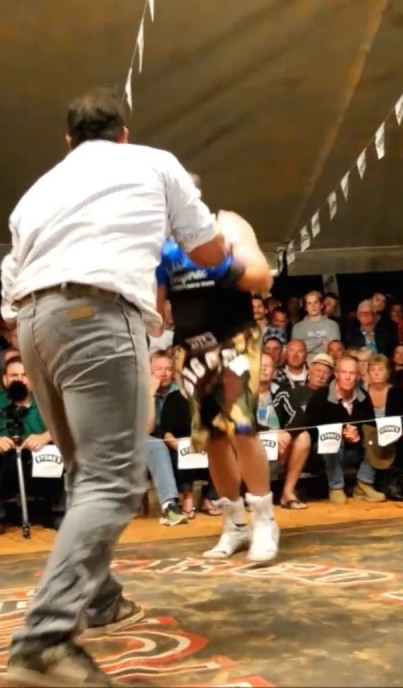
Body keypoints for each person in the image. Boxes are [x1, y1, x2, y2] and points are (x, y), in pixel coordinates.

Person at [0, 85, 230, 687]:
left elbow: (9, 284)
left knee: (83, 469)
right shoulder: (152, 160)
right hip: (98, 313)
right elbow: (206, 250)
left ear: (68, 141)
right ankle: (44, 638)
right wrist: (226, 246)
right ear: (122, 132)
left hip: (32, 324)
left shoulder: (35, 192)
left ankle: (100, 600)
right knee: (111, 478)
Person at [157, 172, 276, 563]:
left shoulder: (227, 223)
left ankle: (264, 520)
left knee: (241, 424)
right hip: (191, 345)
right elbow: (159, 310)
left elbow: (262, 277)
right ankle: (235, 524)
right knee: (213, 438)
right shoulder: (161, 239)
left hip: (234, 337)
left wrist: (222, 264)